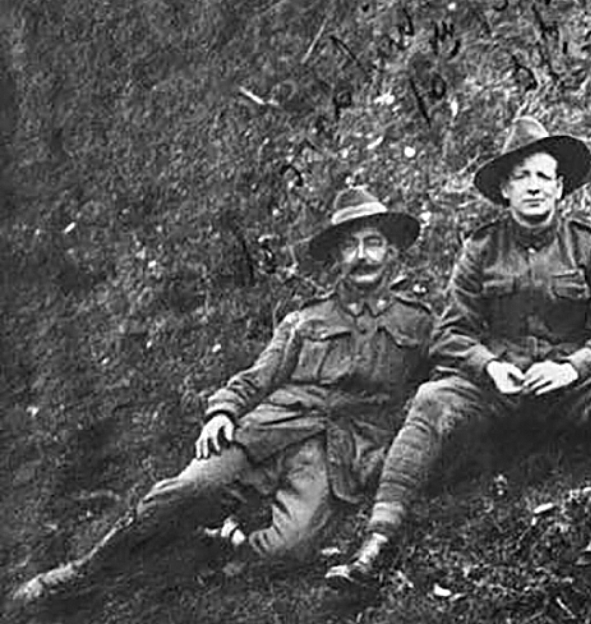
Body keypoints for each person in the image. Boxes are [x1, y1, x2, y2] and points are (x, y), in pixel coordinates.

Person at [9, 186, 433, 606]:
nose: (362, 256)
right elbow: (255, 378)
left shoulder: (417, 322)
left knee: (290, 548)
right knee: (186, 492)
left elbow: (448, 373)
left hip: (337, 453)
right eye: (350, 246)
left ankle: (215, 546)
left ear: (392, 252)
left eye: (373, 243)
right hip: (268, 429)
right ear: (335, 259)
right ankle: (82, 571)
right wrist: (222, 413)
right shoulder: (305, 320)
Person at [325, 116, 591, 595]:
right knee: (432, 398)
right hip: (500, 396)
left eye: (544, 176)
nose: (534, 187)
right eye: (522, 177)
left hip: (568, 392)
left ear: (560, 187)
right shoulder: (480, 250)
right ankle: (376, 542)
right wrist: (490, 366)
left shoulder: (588, 245)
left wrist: (570, 368)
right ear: (505, 189)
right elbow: (450, 334)